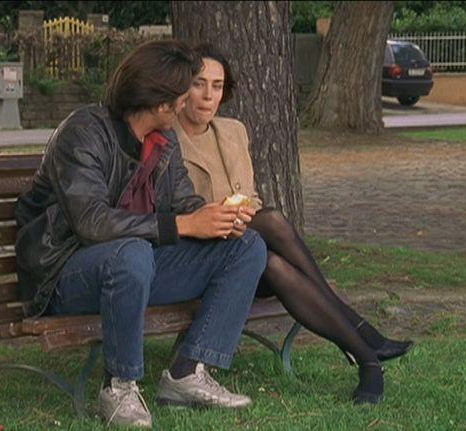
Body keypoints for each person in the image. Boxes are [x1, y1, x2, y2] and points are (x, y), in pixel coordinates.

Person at [14, 39, 268, 428]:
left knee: (245, 247)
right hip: (63, 274)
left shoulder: (164, 141)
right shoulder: (84, 133)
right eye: (184, 94)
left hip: (137, 266)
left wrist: (216, 217)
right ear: (162, 101)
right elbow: (91, 221)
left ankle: (187, 373)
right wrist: (184, 225)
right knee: (130, 252)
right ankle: (119, 387)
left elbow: (183, 202)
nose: (189, 102)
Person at [173, 43, 415, 405]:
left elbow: (249, 197)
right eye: (199, 84)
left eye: (217, 86)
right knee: (270, 223)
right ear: (182, 87)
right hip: (200, 257)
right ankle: (363, 342)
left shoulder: (233, 131)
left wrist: (242, 215)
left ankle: (367, 359)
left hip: (246, 253)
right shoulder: (167, 140)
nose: (209, 95)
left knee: (272, 259)